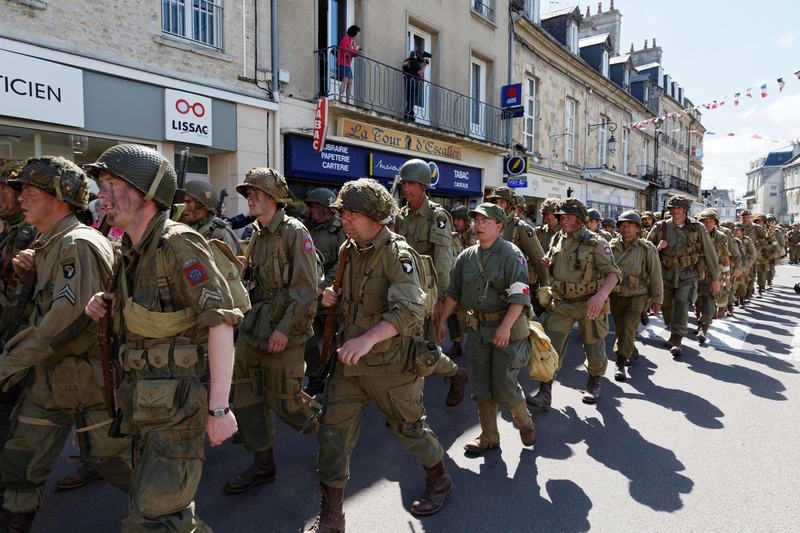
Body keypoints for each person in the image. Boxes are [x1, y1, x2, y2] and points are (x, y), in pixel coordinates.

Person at [84, 144, 240, 531]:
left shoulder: (178, 244)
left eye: (111, 183)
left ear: (145, 192)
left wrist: (219, 410)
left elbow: (219, 321)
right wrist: (109, 304)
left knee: (152, 518)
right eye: (100, 183)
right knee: (160, 512)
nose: (100, 193)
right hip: (140, 402)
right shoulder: (130, 249)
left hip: (177, 409)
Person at [309, 178, 453, 532]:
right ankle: (332, 516)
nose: (344, 219)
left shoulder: (397, 255)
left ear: (375, 218)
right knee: (332, 436)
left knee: (410, 431)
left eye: (351, 213)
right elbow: (339, 289)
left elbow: (408, 311)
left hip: (391, 365)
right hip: (350, 366)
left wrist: (367, 340)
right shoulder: (348, 250)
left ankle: (440, 480)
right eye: (342, 212)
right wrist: (328, 295)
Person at [0, 156, 132, 532]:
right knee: (21, 460)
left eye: (29, 191)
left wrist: (9, 364)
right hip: (51, 373)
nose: (20, 197)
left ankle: (166, 517)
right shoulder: (51, 242)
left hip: (89, 378)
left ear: (59, 198)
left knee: (118, 464)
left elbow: (66, 318)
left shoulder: (78, 243)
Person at [225, 167, 320, 495]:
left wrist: (283, 330)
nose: (249, 198)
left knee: (287, 402)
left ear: (275, 199)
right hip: (254, 326)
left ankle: (335, 432)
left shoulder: (295, 232)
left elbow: (306, 288)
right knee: (246, 394)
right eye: (247, 193)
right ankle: (263, 465)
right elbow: (258, 283)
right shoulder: (256, 234)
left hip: (285, 330)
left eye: (256, 193)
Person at [438, 203, 537, 454]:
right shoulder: (466, 256)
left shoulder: (511, 254)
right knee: (481, 386)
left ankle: (524, 421)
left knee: (504, 386)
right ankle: (489, 436)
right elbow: (454, 293)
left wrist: (504, 327)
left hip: (508, 327)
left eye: (485, 221)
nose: (478, 226)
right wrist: (441, 322)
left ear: (499, 226)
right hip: (479, 329)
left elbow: (521, 295)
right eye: (476, 221)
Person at [528, 198, 621, 408]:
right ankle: (545, 392)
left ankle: (594, 382)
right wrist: (547, 262)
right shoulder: (557, 239)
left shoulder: (595, 243)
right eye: (561, 217)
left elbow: (614, 273)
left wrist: (600, 296)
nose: (563, 221)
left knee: (594, 346)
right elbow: (555, 262)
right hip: (560, 304)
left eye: (568, 217)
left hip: (588, 304)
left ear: (580, 219)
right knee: (548, 347)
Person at [395, 159, 467, 407]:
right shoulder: (401, 216)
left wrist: (439, 301)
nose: (406, 188)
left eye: (412, 183)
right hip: (402, 292)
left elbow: (443, 262)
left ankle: (456, 374)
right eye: (404, 183)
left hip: (426, 294)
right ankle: (408, 402)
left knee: (426, 351)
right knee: (402, 346)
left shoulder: (438, 217)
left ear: (424, 186)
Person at [647, 195, 720, 357]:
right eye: (672, 208)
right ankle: (673, 331)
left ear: (686, 210)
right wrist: (657, 248)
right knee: (666, 306)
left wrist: (715, 278)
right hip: (665, 274)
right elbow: (645, 250)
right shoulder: (660, 227)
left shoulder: (697, 228)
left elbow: (710, 253)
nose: (675, 211)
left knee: (681, 303)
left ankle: (677, 339)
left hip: (688, 274)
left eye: (678, 208)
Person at [608, 211, 662, 381]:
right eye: (622, 224)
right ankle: (630, 349)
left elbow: (655, 274)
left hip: (638, 293)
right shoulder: (610, 247)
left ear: (638, 228)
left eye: (630, 224)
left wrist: (657, 299)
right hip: (616, 293)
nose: (626, 227)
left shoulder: (647, 248)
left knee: (628, 325)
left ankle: (620, 363)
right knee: (619, 328)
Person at [303, 187, 346, 396]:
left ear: (329, 207)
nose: (313, 210)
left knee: (337, 345)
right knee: (306, 340)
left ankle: (338, 384)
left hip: (333, 297)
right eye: (311, 206)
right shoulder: (309, 230)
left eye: (318, 206)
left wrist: (324, 286)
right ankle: (315, 378)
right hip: (313, 298)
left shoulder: (340, 230)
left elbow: (343, 262)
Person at [486, 187, 548, 315]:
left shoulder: (520, 227)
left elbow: (538, 258)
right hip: (490, 285)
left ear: (510, 205)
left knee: (516, 328)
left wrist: (544, 287)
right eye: (495, 202)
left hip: (514, 285)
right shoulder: (486, 225)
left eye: (502, 202)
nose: (498, 206)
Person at [444, 205, 476, 357]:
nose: (455, 222)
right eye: (454, 219)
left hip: (472, 283)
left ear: (465, 221)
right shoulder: (449, 236)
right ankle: (457, 343)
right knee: (451, 313)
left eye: (458, 220)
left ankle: (476, 343)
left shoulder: (475, 235)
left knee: (471, 315)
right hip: (454, 280)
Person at [181, 180, 242, 255]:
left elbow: (226, 266)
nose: (184, 207)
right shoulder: (191, 228)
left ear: (203, 206)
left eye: (188, 202)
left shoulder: (220, 234)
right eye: (182, 202)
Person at [336, 25, 361, 104]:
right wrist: (355, 49)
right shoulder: (346, 39)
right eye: (357, 33)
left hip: (347, 64)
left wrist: (357, 53)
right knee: (345, 80)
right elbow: (345, 51)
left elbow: (351, 53)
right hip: (342, 62)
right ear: (354, 32)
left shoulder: (352, 41)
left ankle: (348, 100)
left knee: (350, 81)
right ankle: (340, 98)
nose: (358, 35)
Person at [402, 50, 428, 122]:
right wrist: (425, 65)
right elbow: (420, 73)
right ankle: (408, 115)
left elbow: (412, 72)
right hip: (413, 83)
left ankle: (411, 114)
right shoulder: (414, 62)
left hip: (407, 82)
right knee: (412, 100)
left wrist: (421, 79)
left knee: (409, 100)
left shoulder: (406, 62)